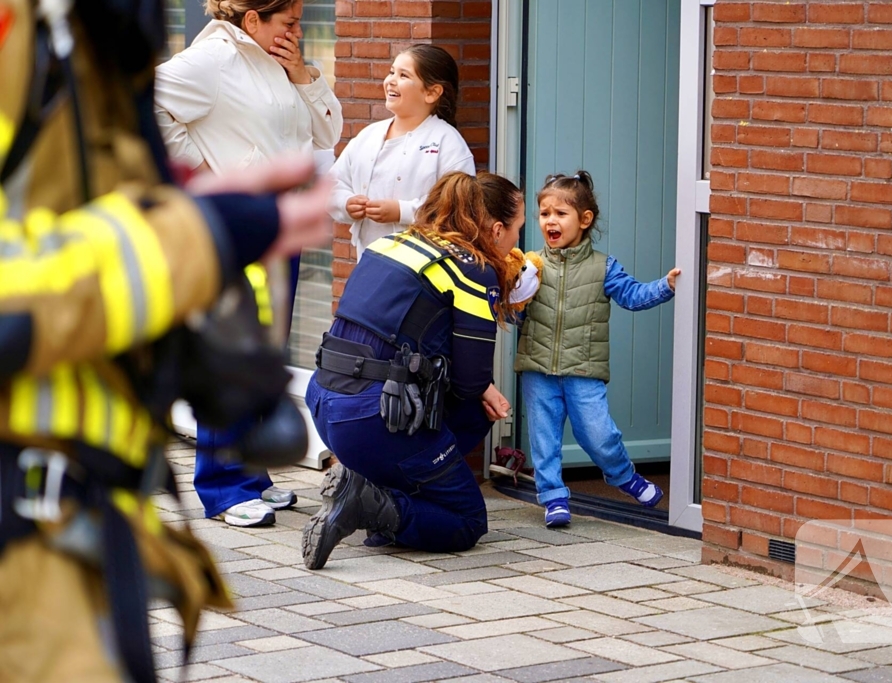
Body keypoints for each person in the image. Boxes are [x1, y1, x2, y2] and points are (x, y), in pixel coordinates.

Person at [0, 1, 332, 681]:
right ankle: (225, 477)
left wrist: (186, 198)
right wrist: (196, 230)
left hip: (75, 527)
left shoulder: (79, 28)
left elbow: (63, 217)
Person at [153, 0, 343, 528]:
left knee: (264, 352)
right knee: (234, 351)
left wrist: (302, 74)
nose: (298, 31)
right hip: (238, 227)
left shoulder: (278, 61)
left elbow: (328, 133)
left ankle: (252, 474)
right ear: (252, 19)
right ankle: (223, 487)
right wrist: (207, 173)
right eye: (289, 21)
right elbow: (144, 106)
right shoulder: (211, 61)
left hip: (278, 228)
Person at [301, 171, 525, 569]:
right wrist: (483, 385)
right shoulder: (473, 268)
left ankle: (374, 491)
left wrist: (479, 387)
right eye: (518, 229)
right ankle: (370, 505)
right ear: (495, 230)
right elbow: (470, 381)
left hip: (324, 403)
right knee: (466, 521)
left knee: (474, 404)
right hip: (371, 418)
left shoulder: (392, 241)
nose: (517, 242)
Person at [514, 171, 681, 528]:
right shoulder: (530, 265)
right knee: (543, 440)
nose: (550, 221)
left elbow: (633, 296)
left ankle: (624, 476)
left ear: (584, 220)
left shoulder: (603, 266)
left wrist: (666, 286)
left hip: (583, 371)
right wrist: (511, 296)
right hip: (538, 369)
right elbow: (515, 312)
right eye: (544, 213)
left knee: (599, 435)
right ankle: (554, 498)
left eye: (560, 213)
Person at [327, 43, 476, 259]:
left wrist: (401, 211)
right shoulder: (368, 135)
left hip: (424, 270)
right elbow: (332, 185)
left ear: (432, 93)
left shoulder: (449, 142)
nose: (391, 81)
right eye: (391, 72)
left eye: (403, 75)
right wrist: (346, 203)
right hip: (369, 262)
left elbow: (460, 207)